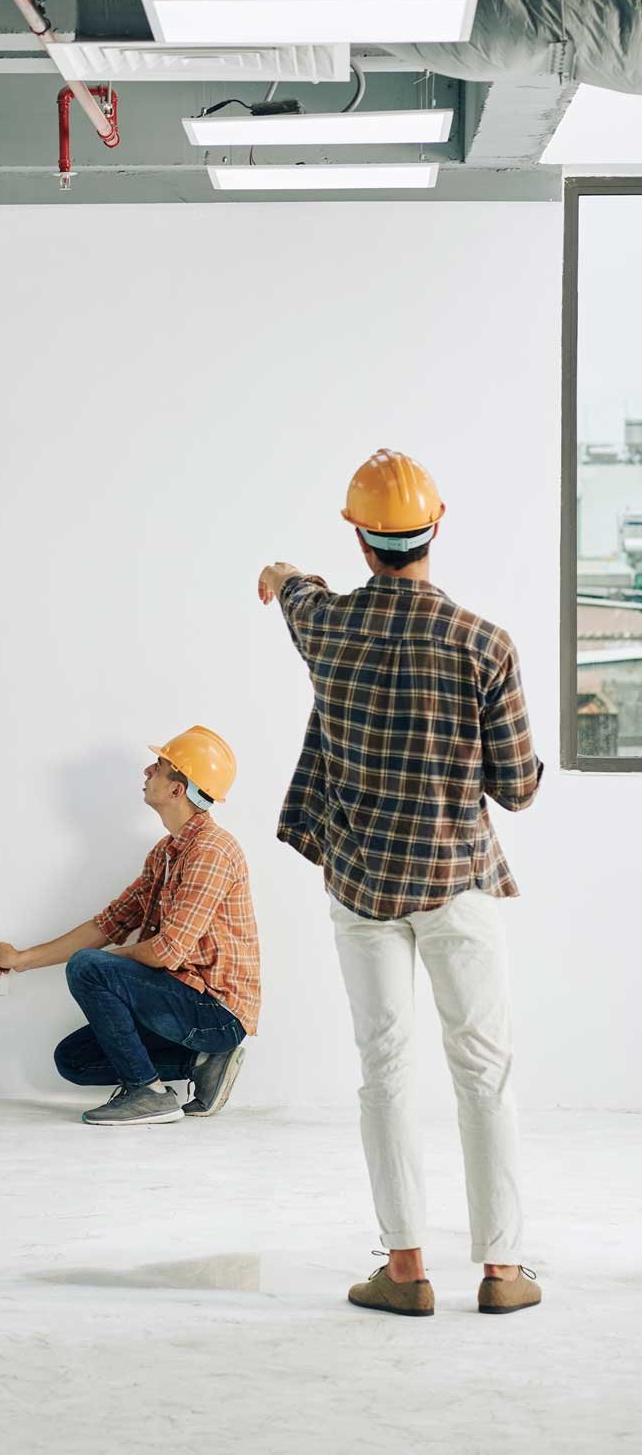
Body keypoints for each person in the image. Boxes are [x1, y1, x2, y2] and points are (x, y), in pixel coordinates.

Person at [259, 448, 543, 1317]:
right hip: (457, 881)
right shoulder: (485, 643)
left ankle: (407, 1268)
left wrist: (280, 572)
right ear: (437, 523)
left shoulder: (329, 626)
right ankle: (501, 1271)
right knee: (484, 1070)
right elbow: (519, 787)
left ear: (360, 536)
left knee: (384, 1068)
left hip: (362, 885)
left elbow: (296, 592)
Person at [0, 727, 260, 1126]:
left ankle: (147, 1093)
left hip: (214, 1012)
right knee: (74, 1061)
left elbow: (164, 952)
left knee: (89, 965)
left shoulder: (212, 852)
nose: (148, 770)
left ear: (177, 790)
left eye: (161, 767)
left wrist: (100, 962)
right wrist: (23, 959)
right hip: (180, 1003)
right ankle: (200, 1061)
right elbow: (110, 923)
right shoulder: (165, 853)